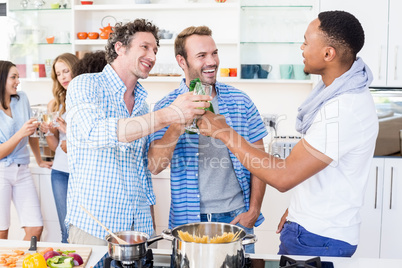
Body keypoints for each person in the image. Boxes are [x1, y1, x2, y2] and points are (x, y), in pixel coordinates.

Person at [198, 11, 379, 257]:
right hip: (311, 230)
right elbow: (315, 171)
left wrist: (223, 132)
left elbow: (284, 177)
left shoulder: (343, 109)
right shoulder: (338, 96)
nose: (302, 48)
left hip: (318, 239)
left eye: (306, 41)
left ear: (328, 53)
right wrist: (296, 213)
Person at [65, 19, 212, 245]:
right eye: (144, 47)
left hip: (137, 228)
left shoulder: (142, 104)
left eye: (155, 50)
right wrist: (170, 113)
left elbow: (142, 170)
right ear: (119, 48)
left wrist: (148, 219)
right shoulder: (85, 85)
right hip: (94, 226)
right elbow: (95, 132)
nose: (152, 57)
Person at [148, 26, 267, 253]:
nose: (212, 61)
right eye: (202, 56)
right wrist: (177, 123)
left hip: (235, 218)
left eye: (214, 53)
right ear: (181, 61)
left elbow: (260, 161)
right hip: (187, 221)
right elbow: (155, 166)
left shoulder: (241, 101)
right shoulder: (166, 106)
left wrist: (253, 211)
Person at [0, 60, 52, 241]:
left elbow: (31, 133)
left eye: (18, 77)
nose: (17, 81)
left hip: (22, 169)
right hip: (1, 172)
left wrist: (38, 159)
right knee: (1, 232)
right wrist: (21, 133)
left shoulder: (21, 99)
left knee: (35, 229)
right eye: (13, 77)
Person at [40, 53, 79, 243]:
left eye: (66, 71)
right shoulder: (55, 104)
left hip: (82, 172)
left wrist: (67, 131)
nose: (63, 77)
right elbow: (56, 146)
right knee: (65, 230)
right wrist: (47, 131)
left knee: (83, 230)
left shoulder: (85, 100)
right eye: (59, 74)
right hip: (60, 171)